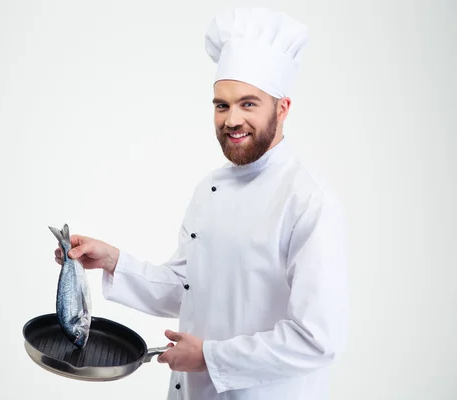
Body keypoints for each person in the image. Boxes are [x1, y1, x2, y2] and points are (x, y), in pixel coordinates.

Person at [54, 7, 349, 400]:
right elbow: (189, 287)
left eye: (248, 104)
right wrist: (112, 260)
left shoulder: (309, 201)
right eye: (221, 105)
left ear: (282, 109)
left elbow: (317, 338)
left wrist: (210, 358)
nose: (231, 120)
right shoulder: (209, 189)